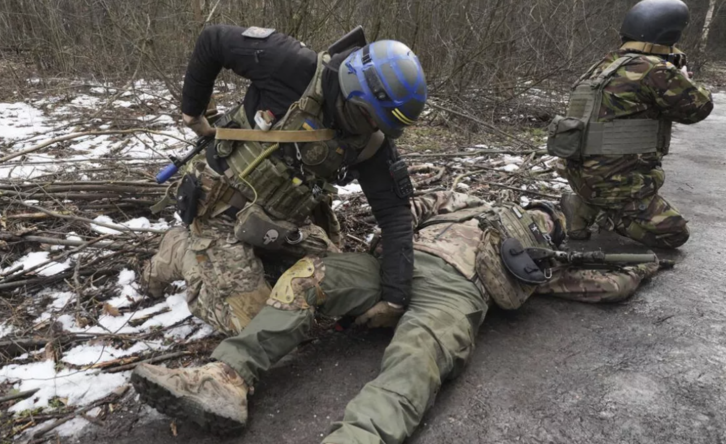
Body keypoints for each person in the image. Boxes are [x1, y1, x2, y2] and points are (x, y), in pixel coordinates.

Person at [131, 190, 665, 444]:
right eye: (541, 211)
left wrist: (640, 268)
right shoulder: (466, 201)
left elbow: (600, 286)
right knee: (312, 274)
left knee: (417, 357)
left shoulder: (544, 256)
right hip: (395, 268)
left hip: (455, 294)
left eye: (550, 219)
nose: (542, 218)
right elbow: (407, 207)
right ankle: (225, 375)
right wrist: (389, 258)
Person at [142, 25, 427, 336]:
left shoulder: (372, 142)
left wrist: (395, 299)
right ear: (355, 93)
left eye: (383, 124)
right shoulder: (291, 65)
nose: (374, 129)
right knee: (259, 329)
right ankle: (179, 250)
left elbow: (394, 214)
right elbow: (213, 41)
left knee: (346, 285)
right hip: (218, 213)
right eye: (372, 118)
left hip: (276, 226)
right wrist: (193, 112)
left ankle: (255, 267)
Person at [548, 0, 713, 249]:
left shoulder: (603, 65)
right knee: (674, 234)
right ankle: (597, 211)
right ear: (669, 34)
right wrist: (684, 80)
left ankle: (586, 202)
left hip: (578, 173)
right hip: (613, 181)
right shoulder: (654, 69)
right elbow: (698, 109)